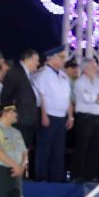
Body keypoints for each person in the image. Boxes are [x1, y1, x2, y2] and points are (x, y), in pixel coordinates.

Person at [30, 50, 72, 182]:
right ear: (52, 58)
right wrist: (44, 115)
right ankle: (41, 177)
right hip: (48, 115)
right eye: (61, 57)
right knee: (44, 149)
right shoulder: (42, 74)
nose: (63, 60)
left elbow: (67, 97)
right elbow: (41, 95)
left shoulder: (63, 76)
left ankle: (56, 178)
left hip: (61, 116)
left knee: (58, 150)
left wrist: (70, 116)